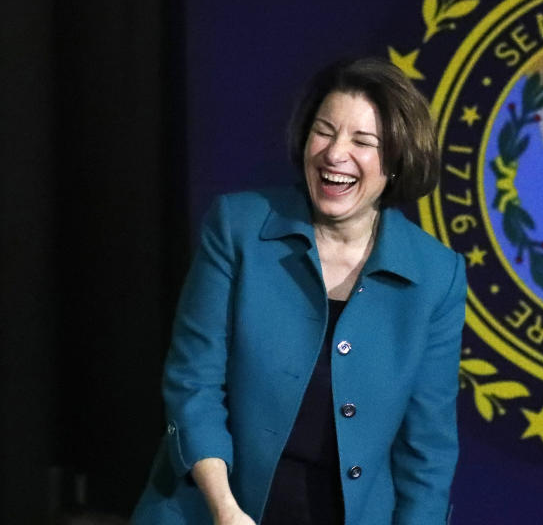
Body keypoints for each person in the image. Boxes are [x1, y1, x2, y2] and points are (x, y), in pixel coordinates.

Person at [131, 58, 467, 525]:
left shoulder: (437, 274)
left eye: (362, 142)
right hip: (212, 508)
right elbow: (194, 383)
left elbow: (427, 451)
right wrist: (225, 509)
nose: (334, 154)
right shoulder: (237, 228)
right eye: (324, 131)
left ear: (397, 160)